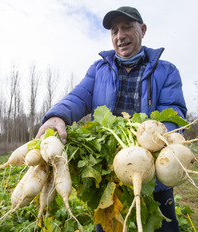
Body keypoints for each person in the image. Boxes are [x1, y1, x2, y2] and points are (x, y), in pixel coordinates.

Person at [36, 6, 187, 232]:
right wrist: (58, 114)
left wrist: (153, 141)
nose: (120, 36)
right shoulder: (99, 69)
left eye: (127, 27)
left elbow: (173, 111)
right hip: (108, 179)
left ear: (143, 30)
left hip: (151, 174)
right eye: (114, 30)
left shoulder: (166, 70)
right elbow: (79, 96)